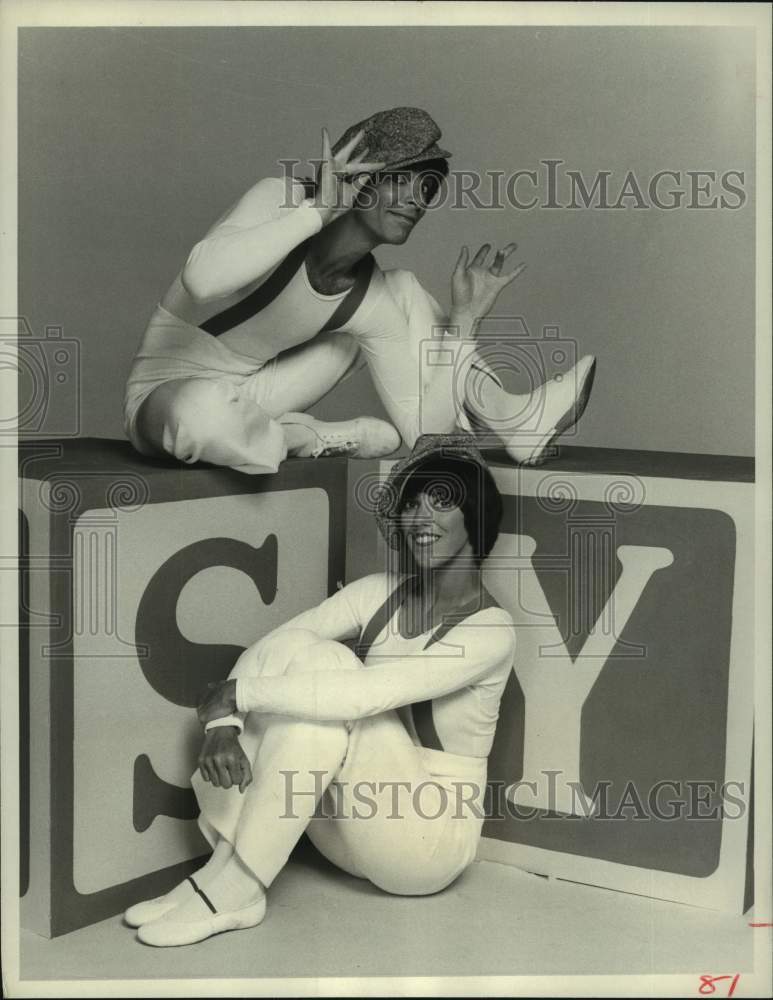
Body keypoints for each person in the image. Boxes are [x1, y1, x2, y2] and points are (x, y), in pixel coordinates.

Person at [124, 435, 517, 947]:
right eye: (412, 504)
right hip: (345, 832)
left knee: (330, 671)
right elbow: (276, 645)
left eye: (441, 502)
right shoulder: (379, 592)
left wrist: (237, 695)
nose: (421, 519)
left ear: (476, 516)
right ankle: (226, 872)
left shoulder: (491, 630)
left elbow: (368, 695)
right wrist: (224, 722)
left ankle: (238, 884)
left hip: (426, 842)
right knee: (306, 659)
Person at [123, 106, 596, 474]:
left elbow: (424, 436)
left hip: (256, 395)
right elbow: (202, 281)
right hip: (164, 397)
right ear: (359, 176)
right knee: (200, 414)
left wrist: (465, 323)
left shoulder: (370, 301)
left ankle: (511, 416)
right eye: (401, 180)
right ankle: (306, 438)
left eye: (427, 188)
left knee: (403, 288)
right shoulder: (280, 199)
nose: (417, 200)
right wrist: (317, 212)